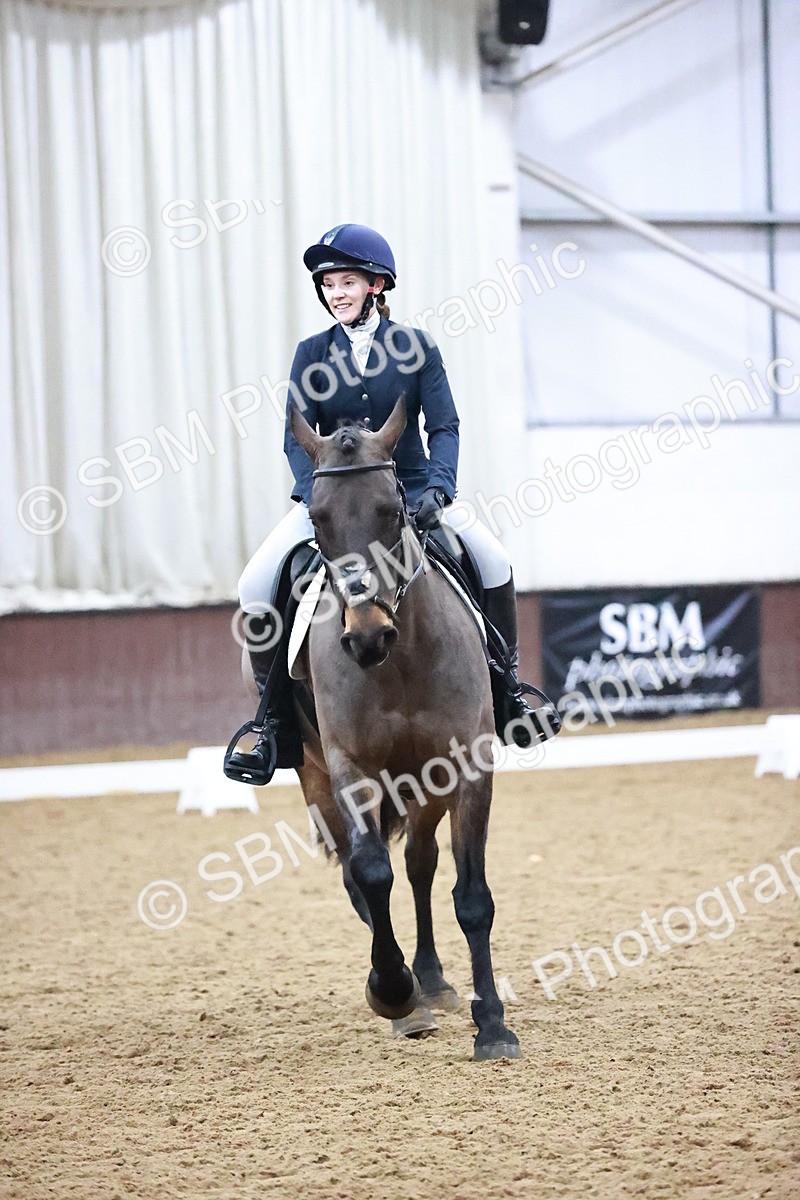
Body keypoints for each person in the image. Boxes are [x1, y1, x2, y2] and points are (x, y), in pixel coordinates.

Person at [225, 223, 557, 785]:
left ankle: (509, 692)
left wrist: (439, 489)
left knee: (494, 560)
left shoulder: (417, 347)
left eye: (347, 281)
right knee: (255, 584)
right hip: (333, 501)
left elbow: (445, 424)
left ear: (377, 284)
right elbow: (294, 436)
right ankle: (273, 721)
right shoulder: (311, 353)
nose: (336, 293)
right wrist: (316, 496)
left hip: (411, 490)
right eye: (328, 284)